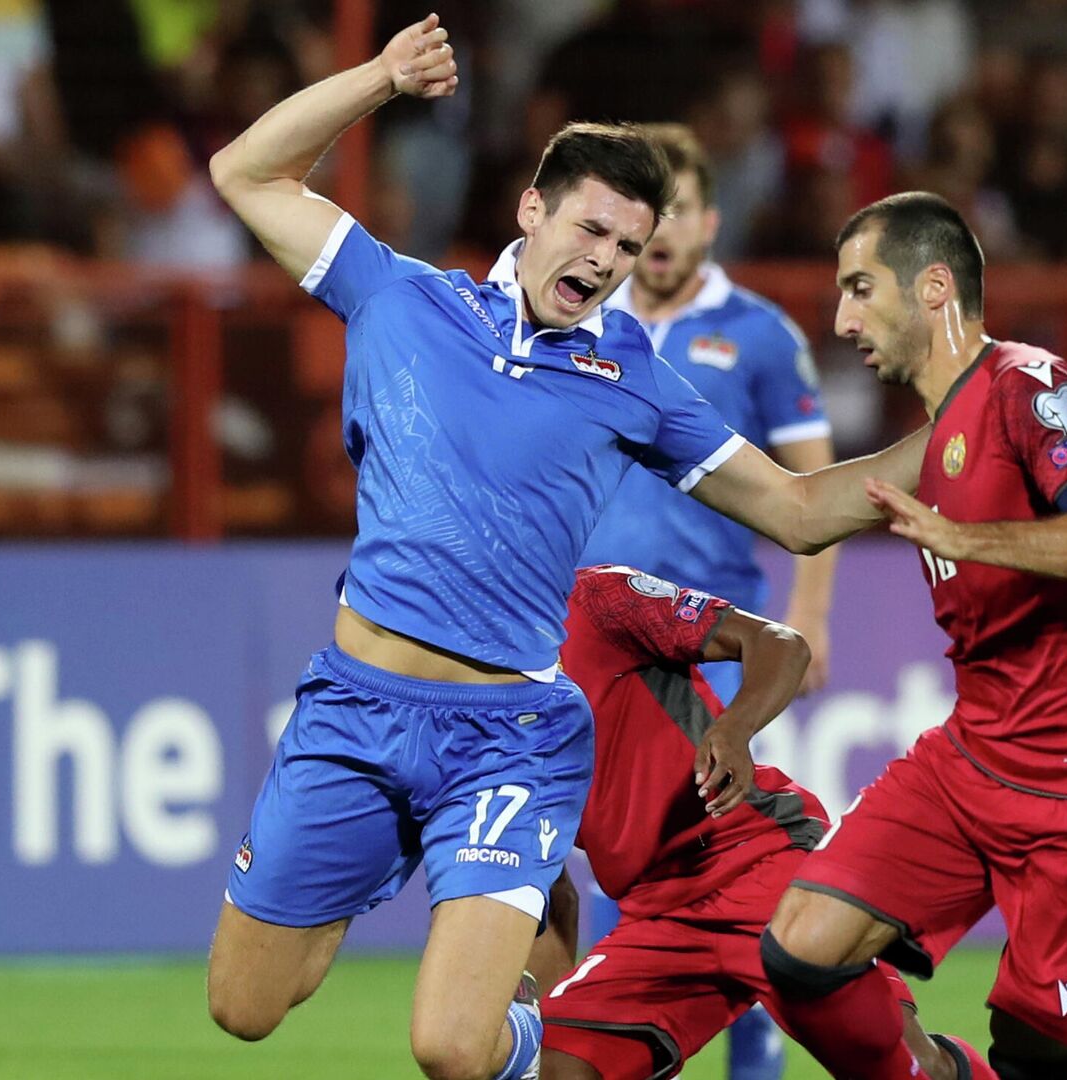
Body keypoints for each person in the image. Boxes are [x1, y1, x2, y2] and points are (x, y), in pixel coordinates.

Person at [202, 16, 928, 1080]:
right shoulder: (402, 298)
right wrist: (382, 78)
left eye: (628, 249)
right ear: (530, 210)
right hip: (356, 710)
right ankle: (493, 898)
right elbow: (244, 171)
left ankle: (572, 1035)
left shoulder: (628, 374)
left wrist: (961, 433)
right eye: (591, 230)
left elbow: (798, 509)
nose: (605, 262)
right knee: (247, 1005)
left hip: (506, 737)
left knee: (452, 1049)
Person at [765, 192, 1067, 1080]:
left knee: (1037, 1056)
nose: (842, 318)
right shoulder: (933, 444)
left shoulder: (1030, 390)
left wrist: (969, 540)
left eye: (859, 288)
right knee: (800, 950)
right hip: (974, 764)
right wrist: (642, 422)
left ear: (933, 287)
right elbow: (801, 511)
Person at [579, 123, 837, 1080]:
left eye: (680, 209)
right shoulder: (589, 322)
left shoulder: (761, 335)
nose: (663, 230)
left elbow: (813, 484)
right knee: (624, 850)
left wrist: (808, 620)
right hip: (603, 639)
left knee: (716, 853)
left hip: (711, 645)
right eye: (652, 212)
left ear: (709, 221)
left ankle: (752, 1063)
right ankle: (619, 1037)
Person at [532, 564, 997, 1080]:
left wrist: (734, 728)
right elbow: (549, 886)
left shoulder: (594, 598)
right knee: (558, 1068)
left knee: (904, 1070)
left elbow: (781, 644)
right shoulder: (475, 681)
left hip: (762, 862)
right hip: (658, 912)